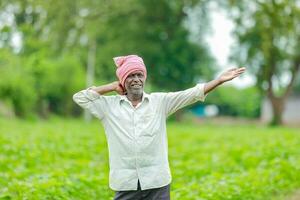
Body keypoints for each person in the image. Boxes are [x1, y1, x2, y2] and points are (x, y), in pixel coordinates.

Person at [73, 54, 246, 200]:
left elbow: (191, 94)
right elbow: (80, 97)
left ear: (144, 78)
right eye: (131, 76)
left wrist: (218, 81)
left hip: (157, 182)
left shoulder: (159, 102)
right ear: (123, 80)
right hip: (126, 183)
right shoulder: (108, 107)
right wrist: (111, 86)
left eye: (139, 75)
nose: (136, 80)